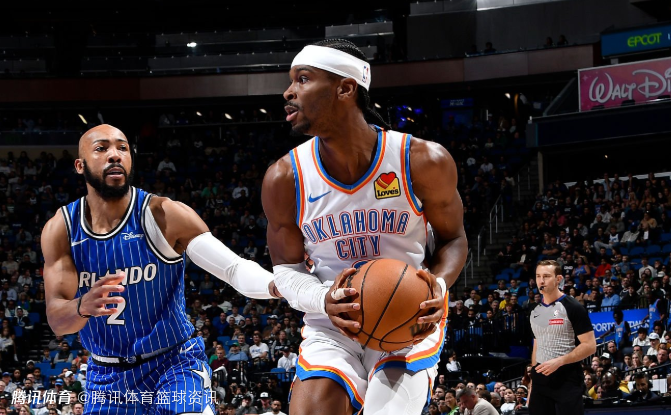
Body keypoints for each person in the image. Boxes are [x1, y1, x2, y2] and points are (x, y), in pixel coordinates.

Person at [261, 39, 468, 415]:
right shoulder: (284, 177)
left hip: (407, 316)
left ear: (345, 88)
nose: (288, 92)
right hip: (331, 321)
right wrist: (323, 299)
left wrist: (436, 287)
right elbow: (287, 270)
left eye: (302, 79)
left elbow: (453, 239)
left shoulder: (421, 160)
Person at [42, 125, 280, 415]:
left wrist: (276, 285)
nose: (115, 155)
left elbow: (233, 268)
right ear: (80, 165)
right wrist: (82, 306)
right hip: (107, 378)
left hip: (173, 363)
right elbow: (57, 321)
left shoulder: (164, 214)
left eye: (122, 148)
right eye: (102, 148)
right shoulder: (61, 229)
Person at [529, 260, 597, 415]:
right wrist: (533, 380)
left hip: (567, 379)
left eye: (546, 276)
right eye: (538, 276)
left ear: (558, 279)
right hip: (540, 381)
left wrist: (559, 361)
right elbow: (537, 344)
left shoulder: (573, 307)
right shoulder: (534, 310)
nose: (541, 281)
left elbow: (590, 346)